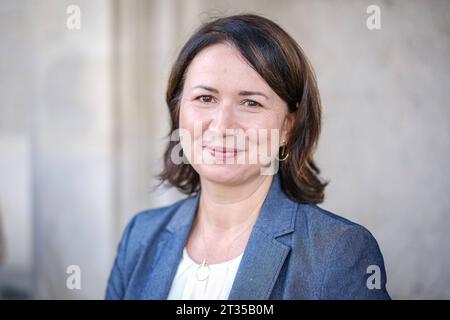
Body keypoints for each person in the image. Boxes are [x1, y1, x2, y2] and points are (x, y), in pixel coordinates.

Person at [106, 14, 390, 300]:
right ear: (179, 111)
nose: (222, 125)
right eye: (206, 98)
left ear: (288, 127)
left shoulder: (338, 252)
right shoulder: (140, 237)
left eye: (250, 102)